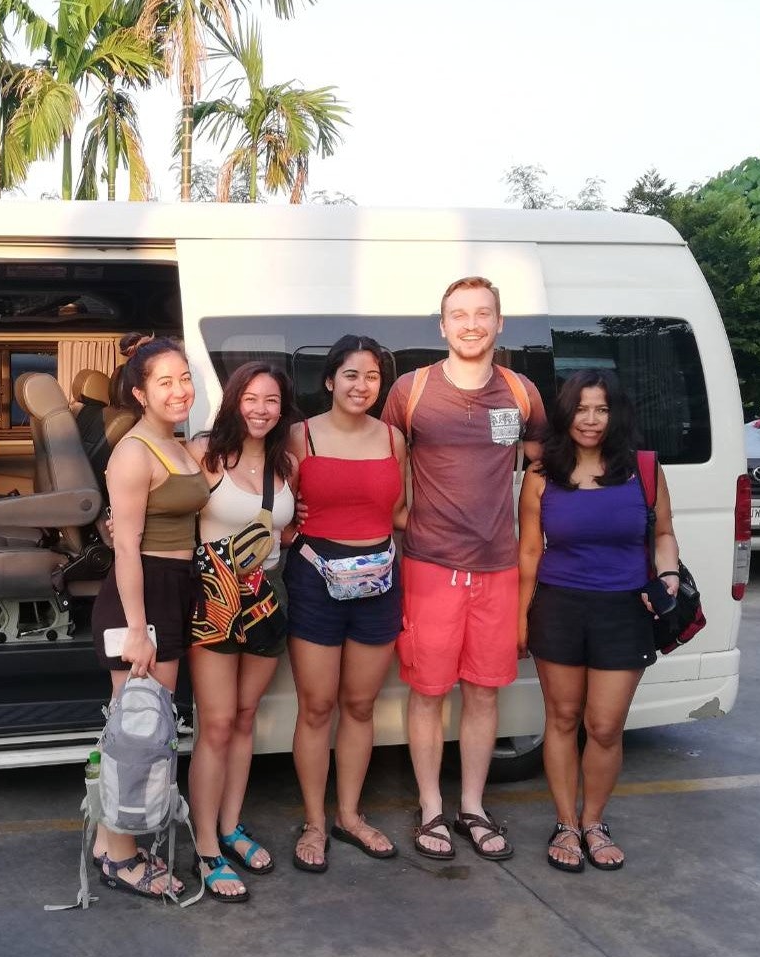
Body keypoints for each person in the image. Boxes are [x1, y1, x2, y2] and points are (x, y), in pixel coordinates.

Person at [380, 276, 547, 862]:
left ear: (500, 323)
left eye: (482, 314)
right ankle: (430, 807)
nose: (471, 324)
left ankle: (472, 806)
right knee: (428, 693)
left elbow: (544, 465)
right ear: (442, 325)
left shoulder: (521, 392)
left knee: (482, 694)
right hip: (430, 567)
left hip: (499, 568)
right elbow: (381, 462)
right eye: (459, 314)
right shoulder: (412, 390)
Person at [517, 369, 678, 872]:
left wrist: (669, 575)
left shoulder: (643, 469)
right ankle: (566, 824)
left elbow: (664, 533)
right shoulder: (541, 474)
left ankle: (594, 822)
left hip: (625, 609)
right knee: (562, 719)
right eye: (582, 409)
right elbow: (529, 552)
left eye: (601, 409)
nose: (590, 420)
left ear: (616, 414)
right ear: (566, 414)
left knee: (605, 727)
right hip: (559, 607)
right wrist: (520, 619)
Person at [284, 335, 407, 873]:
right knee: (316, 707)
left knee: (360, 705)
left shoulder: (394, 439)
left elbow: (399, 512)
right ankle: (314, 822)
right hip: (316, 577)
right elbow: (277, 509)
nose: (362, 386)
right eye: (352, 375)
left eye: (372, 376)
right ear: (331, 380)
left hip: (379, 580)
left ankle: (349, 816)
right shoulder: (300, 436)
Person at [90, 337, 207, 900]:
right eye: (164, 382)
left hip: (173, 589)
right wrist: (137, 630)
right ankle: (119, 858)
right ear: (139, 393)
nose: (179, 390)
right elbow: (127, 548)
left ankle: (108, 842)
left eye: (184, 378)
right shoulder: (134, 453)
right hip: (142, 596)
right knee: (137, 733)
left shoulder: (179, 444)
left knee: (144, 727)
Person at [184, 362, 298, 901]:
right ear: (233, 400)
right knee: (217, 722)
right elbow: (167, 512)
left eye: (271, 400)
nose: (261, 409)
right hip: (215, 598)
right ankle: (205, 845)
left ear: (283, 409)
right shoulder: (203, 455)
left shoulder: (286, 463)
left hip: (267, 596)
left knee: (247, 716)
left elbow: (285, 530)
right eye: (251, 398)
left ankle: (230, 826)